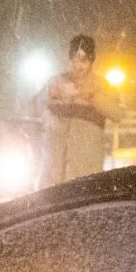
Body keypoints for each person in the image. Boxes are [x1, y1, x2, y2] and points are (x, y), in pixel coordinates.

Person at [42, 34, 113, 184]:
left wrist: (93, 97)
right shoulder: (56, 81)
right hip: (54, 173)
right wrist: (49, 94)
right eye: (74, 59)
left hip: (86, 173)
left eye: (83, 60)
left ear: (92, 61)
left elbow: (119, 114)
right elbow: (33, 106)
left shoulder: (102, 85)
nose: (78, 65)